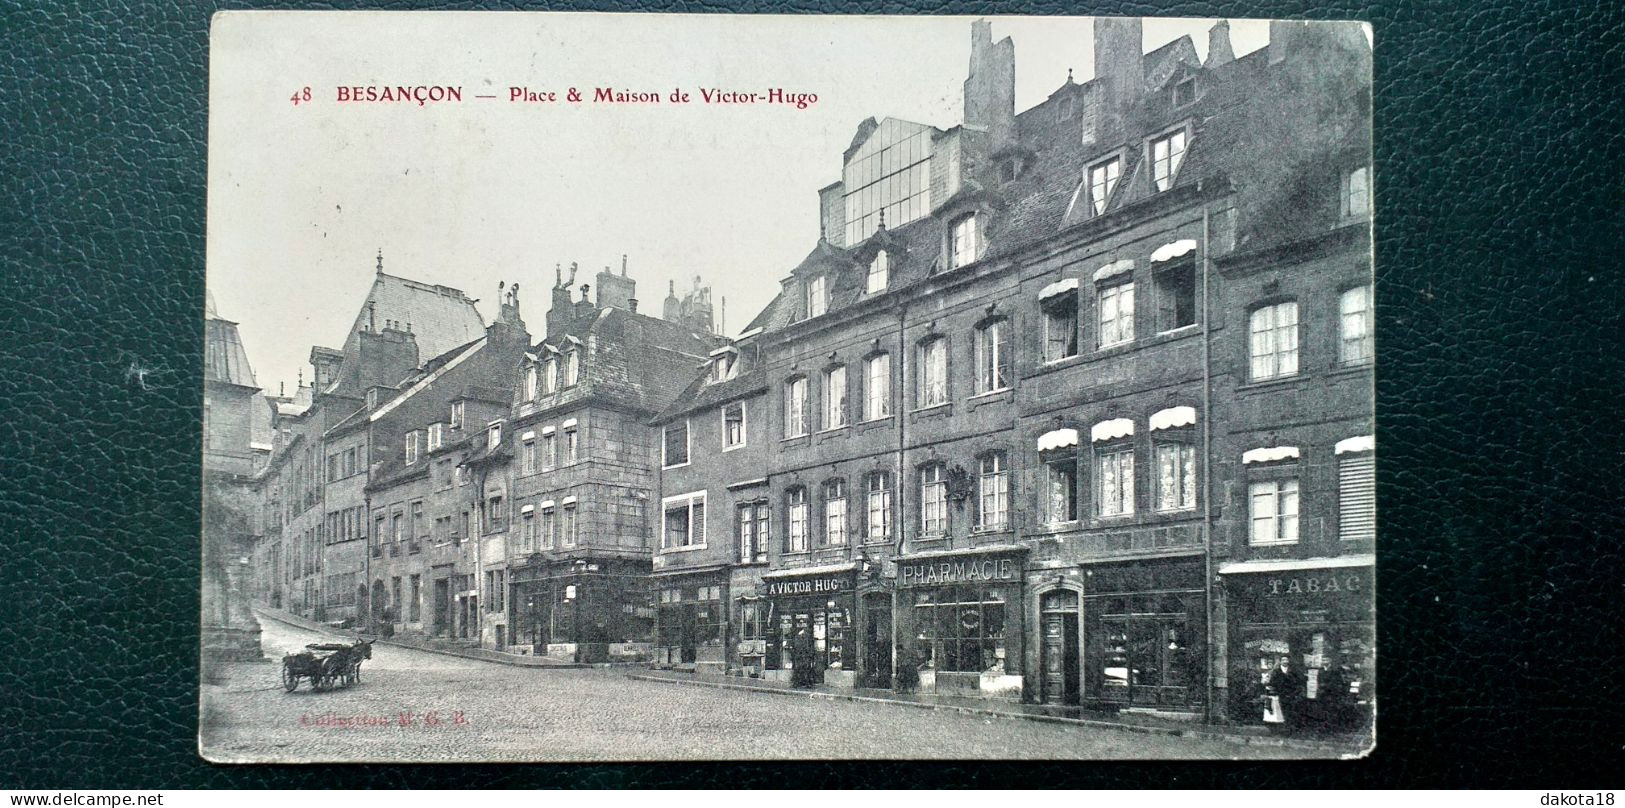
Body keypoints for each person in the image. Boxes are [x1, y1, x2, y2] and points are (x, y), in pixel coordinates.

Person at [1263, 655, 1304, 731]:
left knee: (1291, 711)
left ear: (1288, 661)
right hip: (1280, 694)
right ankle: (1282, 728)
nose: (1285, 661)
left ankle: (1289, 728)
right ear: (1280, 661)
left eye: (1286, 660)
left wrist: (1295, 692)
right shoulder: (1276, 671)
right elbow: (1272, 682)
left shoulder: (1293, 671)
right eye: (1283, 660)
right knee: (1281, 711)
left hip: (1292, 694)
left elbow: (1298, 682)